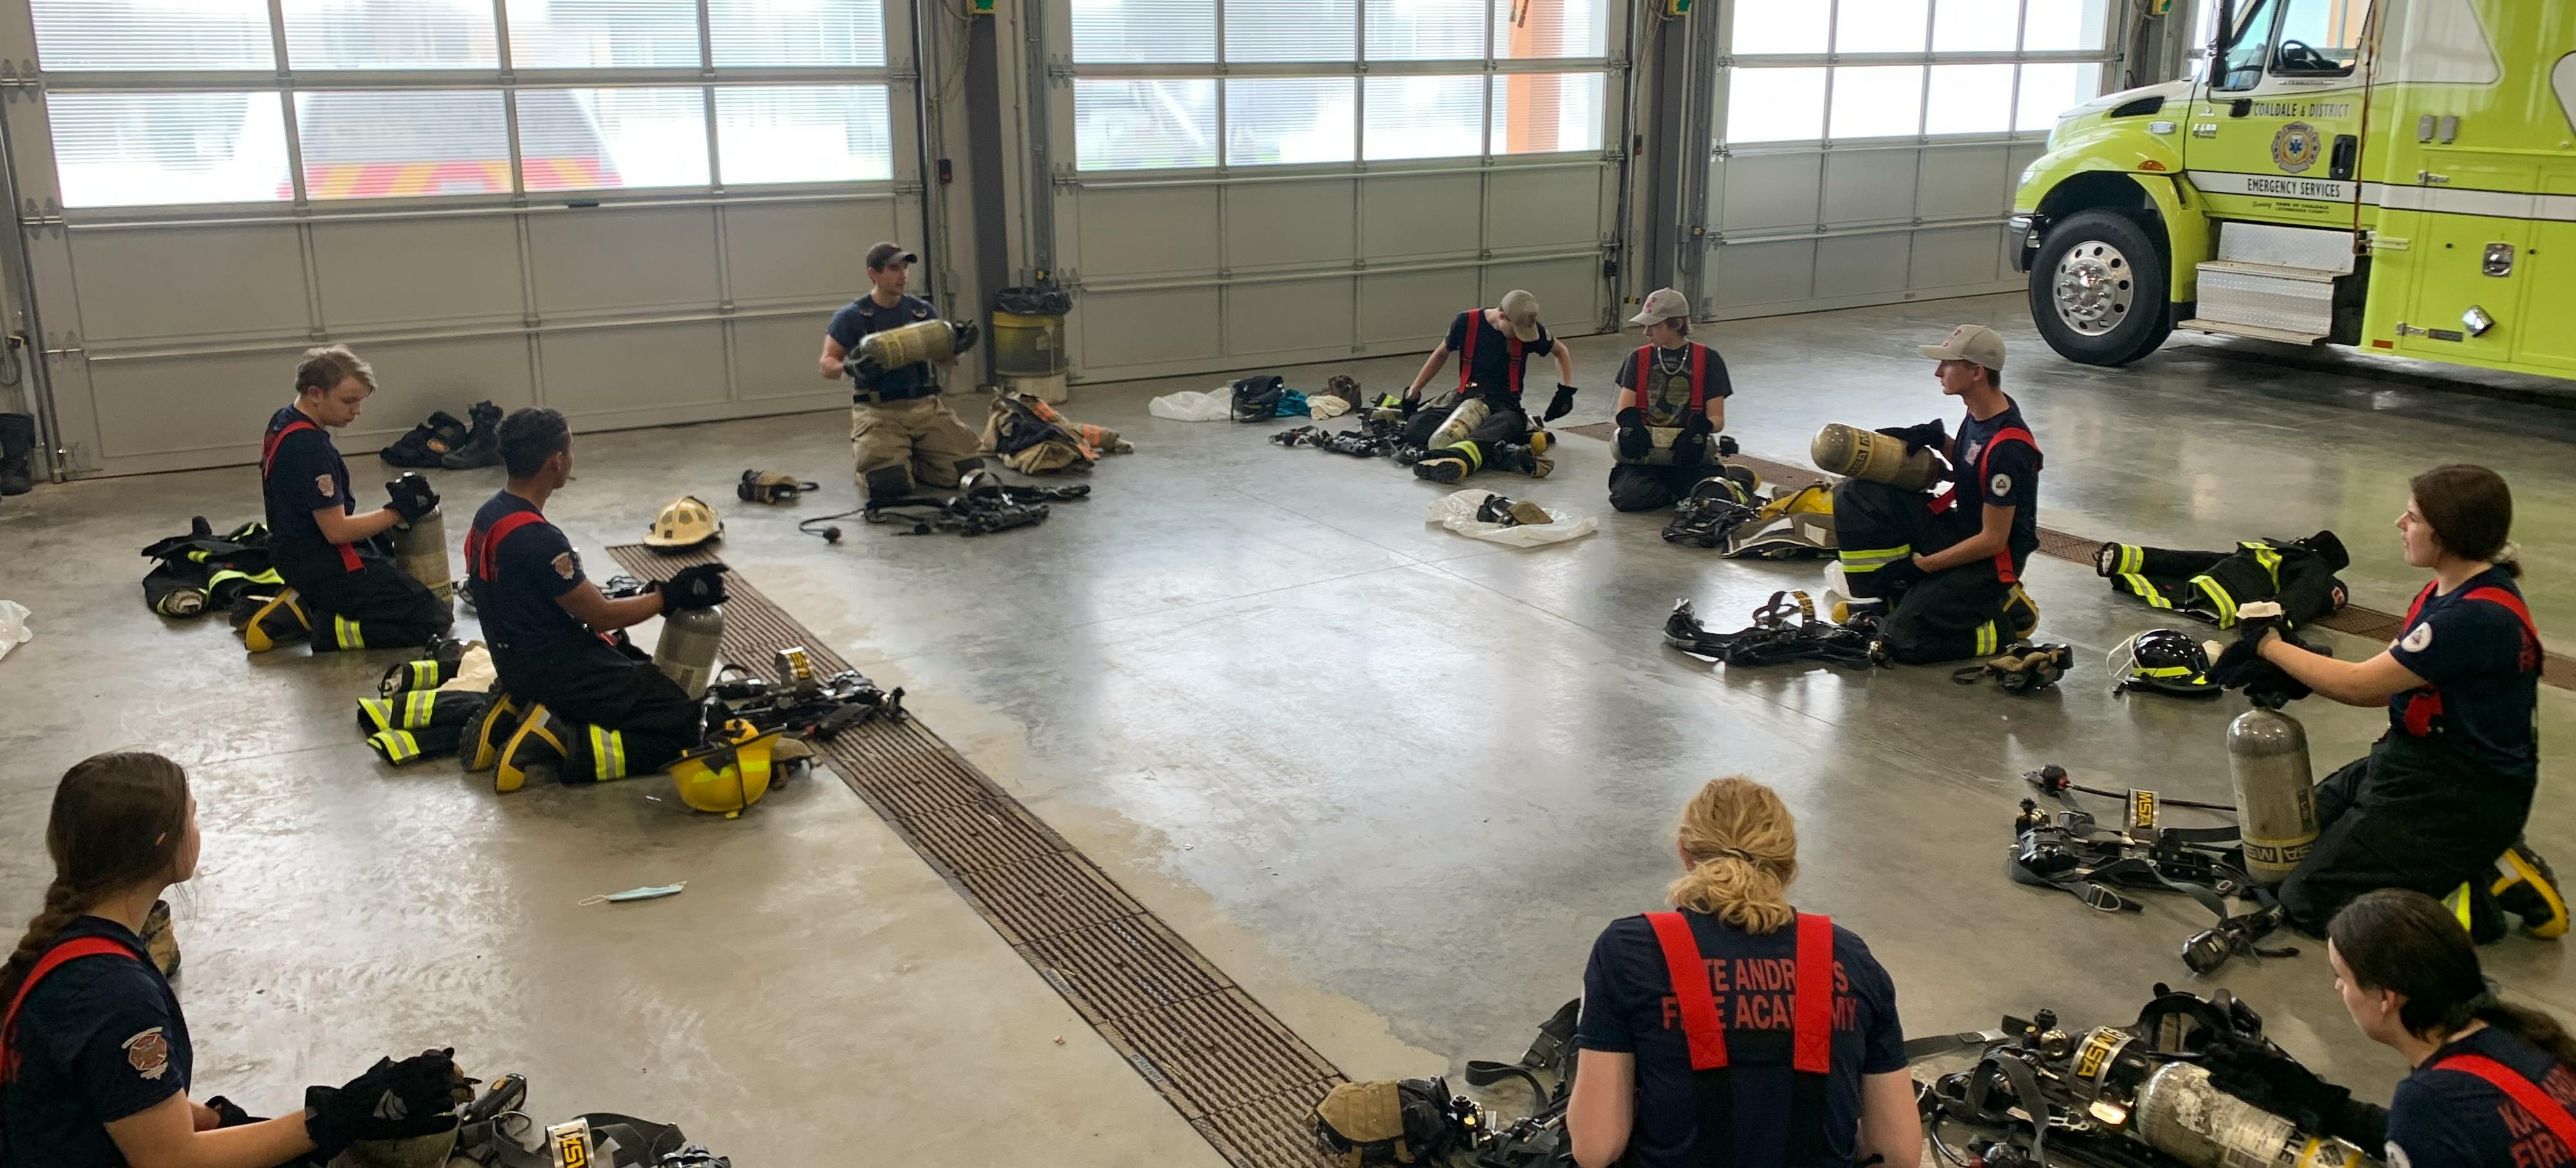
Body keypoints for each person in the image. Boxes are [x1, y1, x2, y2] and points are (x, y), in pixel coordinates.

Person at [1, 751, 470, 1166]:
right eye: (193, 816)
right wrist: (338, 1113)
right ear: (164, 840)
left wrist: (220, 1121)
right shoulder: (117, 997)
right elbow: (172, 1160)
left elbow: (121, 1102)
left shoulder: (74, 945)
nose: (198, 828)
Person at [2248, 465, 2561, 941]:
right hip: (2414, 761)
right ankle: (2469, 860)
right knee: (2289, 838)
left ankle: (2468, 893)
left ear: (2449, 532)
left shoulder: (2470, 617)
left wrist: (2267, 646)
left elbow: (2361, 688)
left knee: (2307, 902)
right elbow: (2393, 680)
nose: (2400, 523)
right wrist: (2300, 666)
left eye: (2413, 517)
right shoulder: (2446, 590)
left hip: (2457, 794)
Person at [1566, 776, 1918, 1168]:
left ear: (1685, 852)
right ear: (1787, 865)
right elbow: (1898, 1153)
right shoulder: (1849, 956)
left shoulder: (1630, 950)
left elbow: (1596, 1148)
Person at [459, 408, 724, 794]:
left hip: (515, 658)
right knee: (682, 721)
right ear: (556, 460)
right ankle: (563, 740)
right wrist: (669, 596)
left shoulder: (490, 516)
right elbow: (599, 616)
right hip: (555, 667)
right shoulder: (540, 540)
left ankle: (521, 707)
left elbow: (540, 592)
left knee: (638, 669)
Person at [1829, 325, 2040, 664]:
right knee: (1857, 493)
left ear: (1976, 372)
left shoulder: (2010, 448)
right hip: (1960, 530)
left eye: (1948, 364)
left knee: (1900, 641)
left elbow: (1993, 541)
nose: (1938, 371)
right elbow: (1974, 465)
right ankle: (1886, 597)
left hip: (1989, 560)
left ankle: (2001, 624)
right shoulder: (1982, 411)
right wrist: (1936, 440)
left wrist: (1920, 567)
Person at [236, 346, 452, 654]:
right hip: (318, 559)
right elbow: (336, 531)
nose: (357, 411)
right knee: (432, 618)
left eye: (360, 402)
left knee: (392, 566)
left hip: (292, 549)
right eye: (348, 401)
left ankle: (309, 602)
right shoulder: (311, 450)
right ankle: (327, 627)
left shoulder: (285, 419)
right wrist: (398, 511)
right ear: (316, 393)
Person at [819, 242, 981, 504]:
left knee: (969, 473)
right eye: (894, 268)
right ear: (874, 274)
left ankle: (911, 459)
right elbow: (826, 365)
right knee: (888, 486)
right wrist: (849, 367)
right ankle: (881, 463)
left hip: (925, 408)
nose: (903, 275)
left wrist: (959, 347)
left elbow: (945, 363)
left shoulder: (922, 312)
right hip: (878, 412)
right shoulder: (852, 316)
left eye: (905, 268)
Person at [1398, 289, 1577, 484]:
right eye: (1516, 331)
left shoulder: (1531, 331)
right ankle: (1484, 447)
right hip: (1466, 399)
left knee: (1505, 424)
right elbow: (1441, 354)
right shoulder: (1466, 322)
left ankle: (1460, 458)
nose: (1521, 337)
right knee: (1416, 426)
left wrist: (1565, 391)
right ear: (1502, 316)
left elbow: (1561, 351)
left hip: (1505, 406)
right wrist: (1413, 392)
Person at [1609, 289, 1734, 512]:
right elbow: (1625, 411)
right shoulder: (1638, 358)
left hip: (1689, 454)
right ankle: (1678, 493)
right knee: (1627, 498)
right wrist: (1631, 427)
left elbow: (1717, 418)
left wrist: (1701, 428)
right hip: (1648, 454)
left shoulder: (1709, 360)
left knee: (1716, 499)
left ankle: (1690, 488)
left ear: (1676, 324)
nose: (1646, 332)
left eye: (1654, 326)